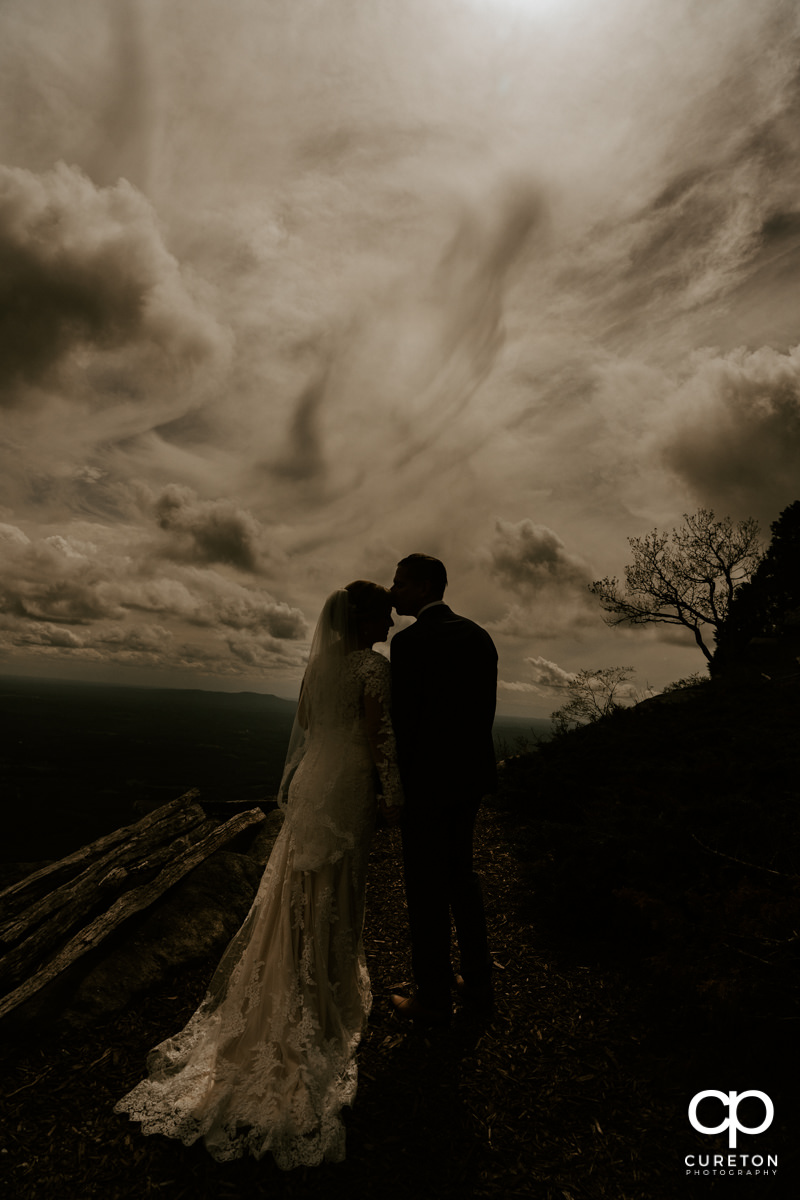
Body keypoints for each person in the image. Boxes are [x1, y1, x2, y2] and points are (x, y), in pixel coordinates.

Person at [114, 582, 403, 1169]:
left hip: (312, 779)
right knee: (336, 885)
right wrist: (395, 796)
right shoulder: (373, 667)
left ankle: (297, 978)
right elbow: (379, 740)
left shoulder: (318, 666)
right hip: (345, 785)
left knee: (300, 888)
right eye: (384, 615)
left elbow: (305, 722)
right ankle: (320, 993)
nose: (392, 623)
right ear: (365, 621)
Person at [389, 553, 497, 1025]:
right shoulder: (479, 636)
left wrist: (395, 786)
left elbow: (404, 724)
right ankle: (478, 981)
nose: (393, 593)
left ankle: (432, 996)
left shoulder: (410, 643)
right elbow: (483, 715)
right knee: (462, 877)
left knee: (425, 889)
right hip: (468, 779)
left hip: (426, 784)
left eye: (401, 584)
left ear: (426, 586)